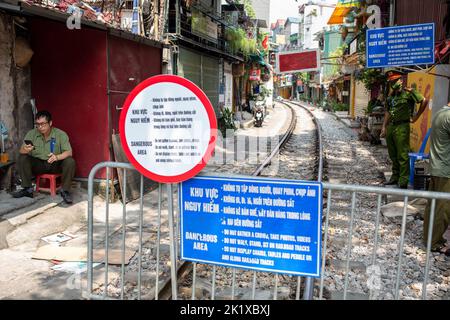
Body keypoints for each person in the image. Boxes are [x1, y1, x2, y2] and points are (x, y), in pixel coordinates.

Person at [12, 111, 75, 204]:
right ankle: (27, 189)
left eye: (43, 124)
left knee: (70, 161)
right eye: (37, 124)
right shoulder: (32, 133)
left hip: (55, 164)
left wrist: (57, 157)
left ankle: (65, 191)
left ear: (50, 123)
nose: (40, 127)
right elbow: (21, 150)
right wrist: (25, 149)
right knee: (22, 157)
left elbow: (69, 152)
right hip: (38, 165)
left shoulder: (60, 134)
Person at [380, 70, 429, 189]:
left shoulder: (409, 93)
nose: (393, 83)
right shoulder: (391, 96)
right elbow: (387, 112)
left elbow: (424, 100)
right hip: (391, 126)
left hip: (402, 126)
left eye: (395, 80)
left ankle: (403, 181)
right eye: (391, 81)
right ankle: (394, 177)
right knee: (393, 154)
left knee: (402, 155)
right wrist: (384, 127)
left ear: (401, 80)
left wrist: (416, 117)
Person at [423, 103, 450, 256]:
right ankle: (434, 243)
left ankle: (429, 238)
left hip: (436, 167)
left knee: (432, 205)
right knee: (443, 208)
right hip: (445, 170)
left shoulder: (441, 113)